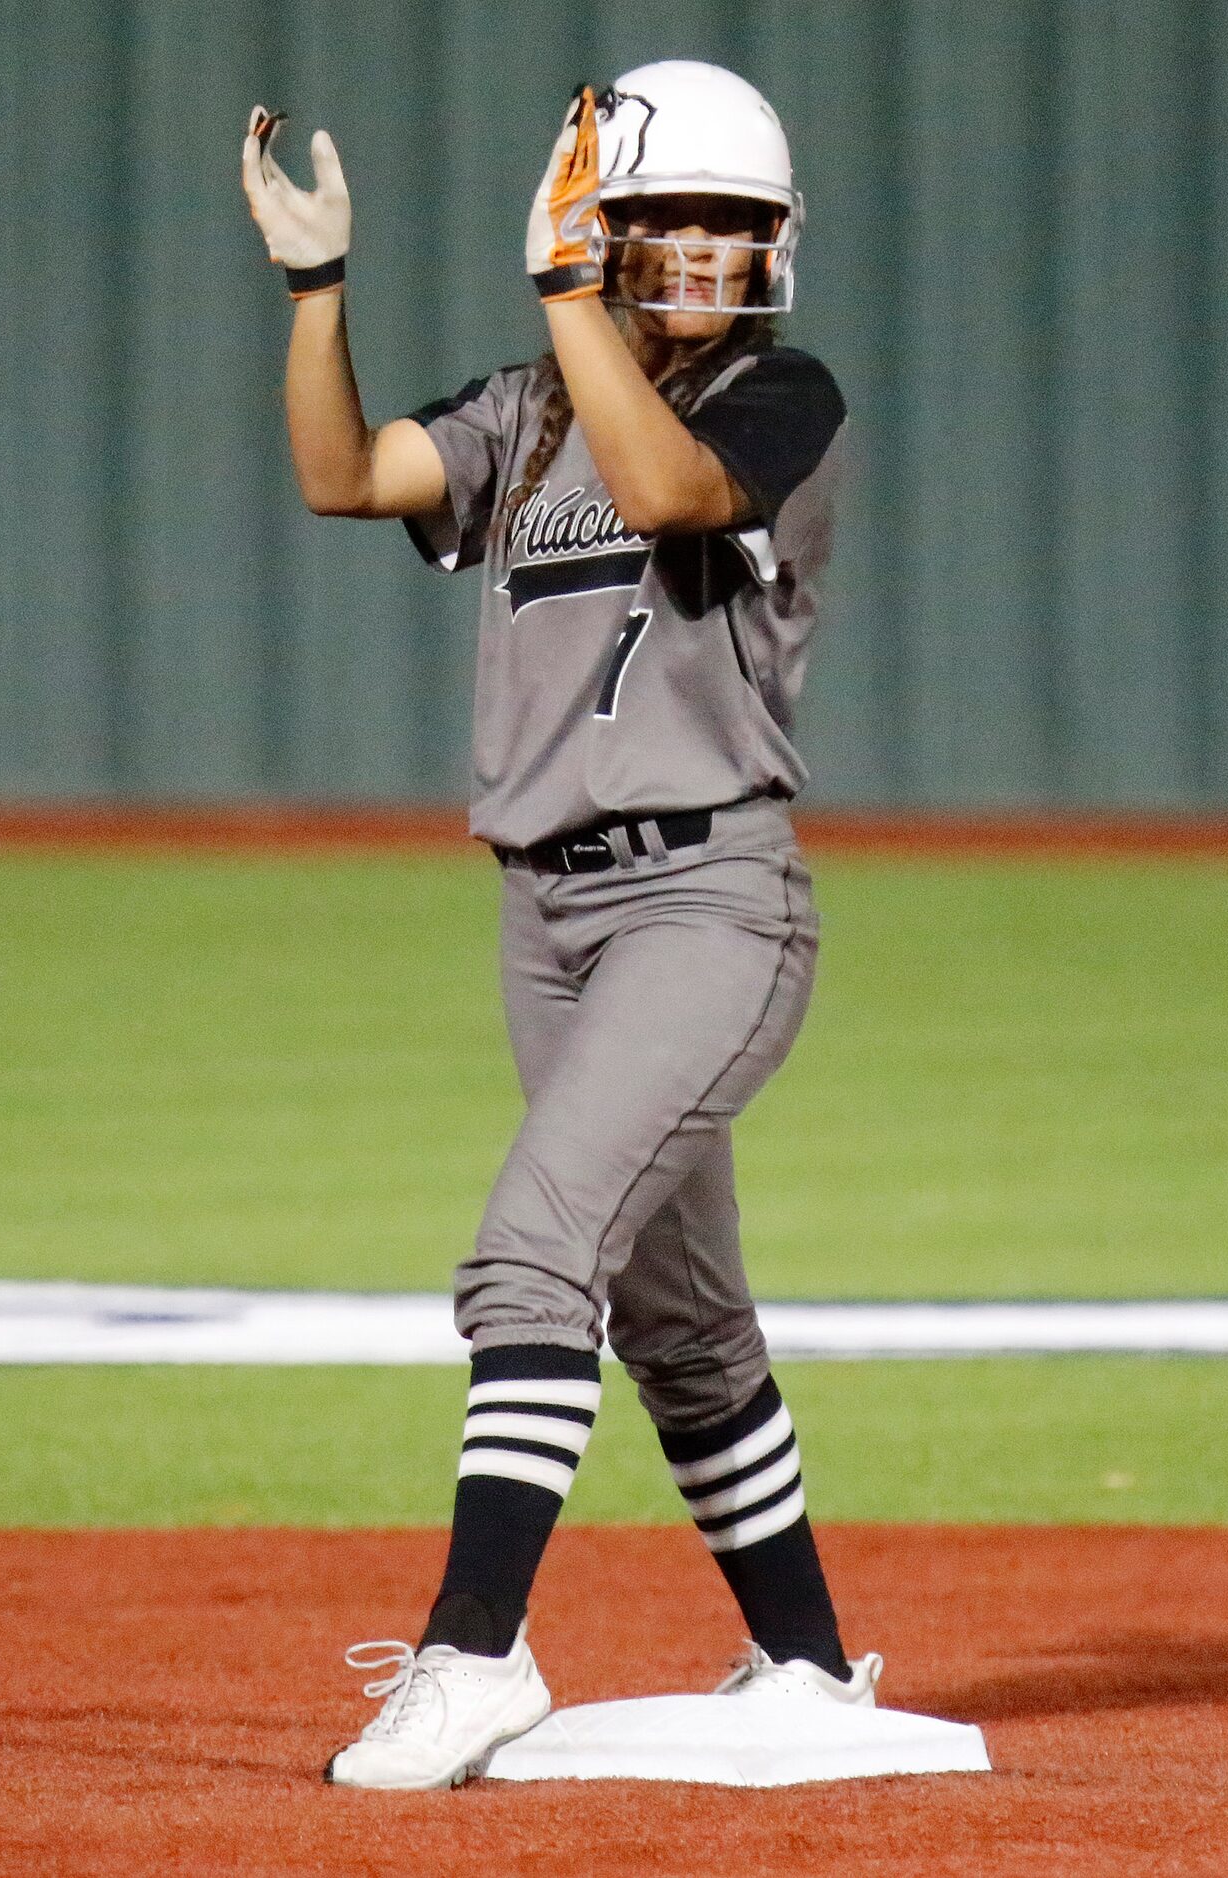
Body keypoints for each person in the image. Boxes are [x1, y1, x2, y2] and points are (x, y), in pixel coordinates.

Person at [242, 58, 879, 1793]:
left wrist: (565, 296)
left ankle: (474, 1651)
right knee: (683, 1320)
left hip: (707, 897)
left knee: (533, 1249)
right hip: (547, 906)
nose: (702, 244)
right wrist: (317, 294)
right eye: (667, 211)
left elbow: (671, 493)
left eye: (733, 220)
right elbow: (342, 473)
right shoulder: (528, 410)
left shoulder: (778, 392)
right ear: (602, 228)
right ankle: (810, 1665)